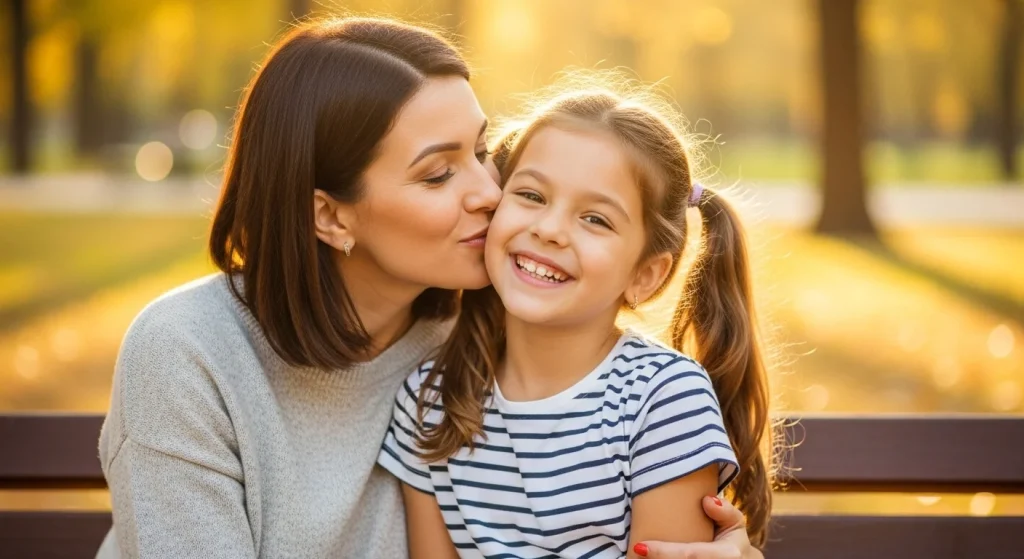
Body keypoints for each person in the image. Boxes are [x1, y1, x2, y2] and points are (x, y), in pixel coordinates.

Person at [95, 17, 764, 559]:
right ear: (330, 215)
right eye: (438, 174)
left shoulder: (481, 337)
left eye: (480, 151)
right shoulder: (190, 354)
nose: (489, 193)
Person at [377, 78, 775, 558]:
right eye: (531, 195)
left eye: (595, 219)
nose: (549, 230)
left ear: (646, 275)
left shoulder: (663, 400)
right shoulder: (430, 400)